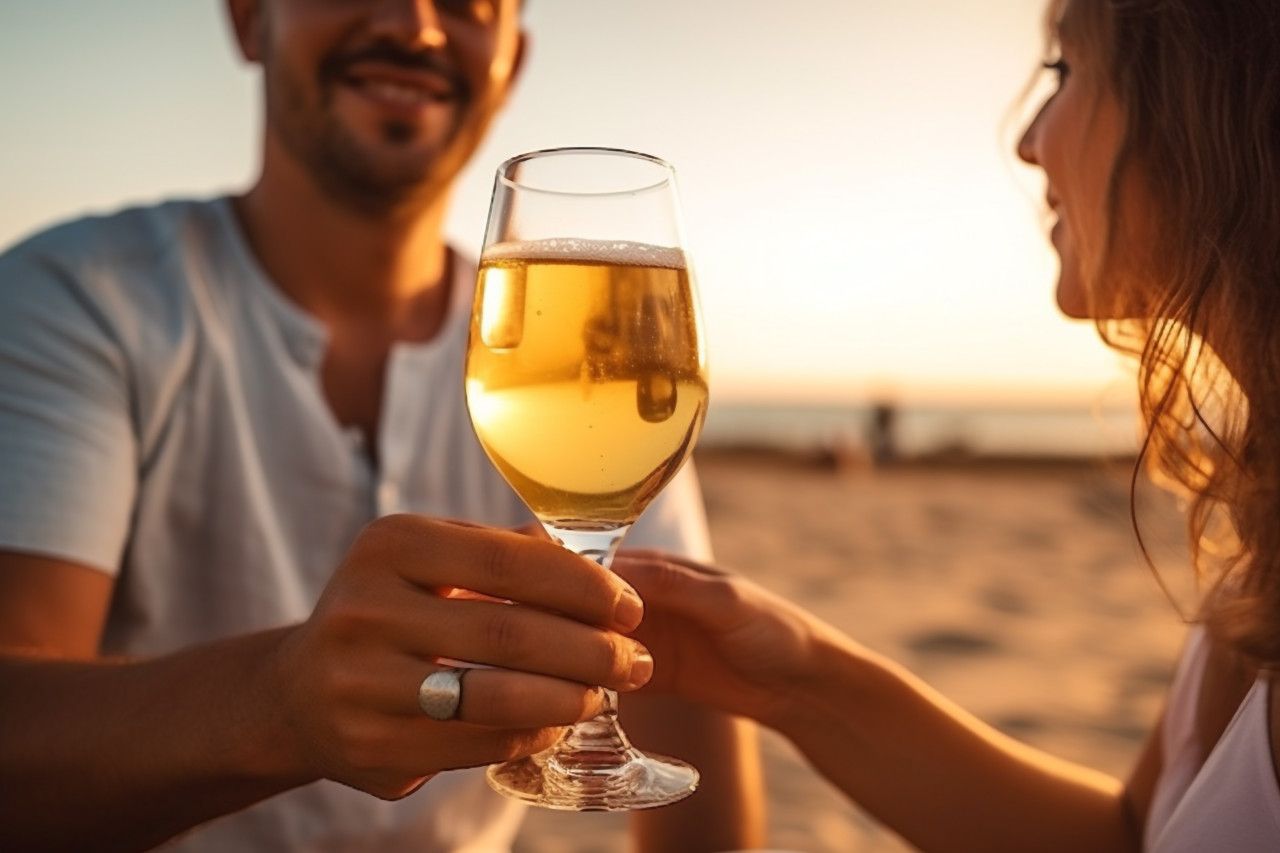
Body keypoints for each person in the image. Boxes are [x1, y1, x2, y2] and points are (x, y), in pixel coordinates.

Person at [0, 1, 762, 852]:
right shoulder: (75, 300)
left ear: (510, 59)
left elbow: (694, 760)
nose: (416, 26)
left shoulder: (594, 349)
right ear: (250, 20)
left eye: (470, 6)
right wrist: (277, 703)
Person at [612, 0, 1280, 850]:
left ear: (1200, 96)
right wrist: (799, 679)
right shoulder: (1262, 554)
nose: (1029, 139)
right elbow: (1132, 835)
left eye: (1067, 72)